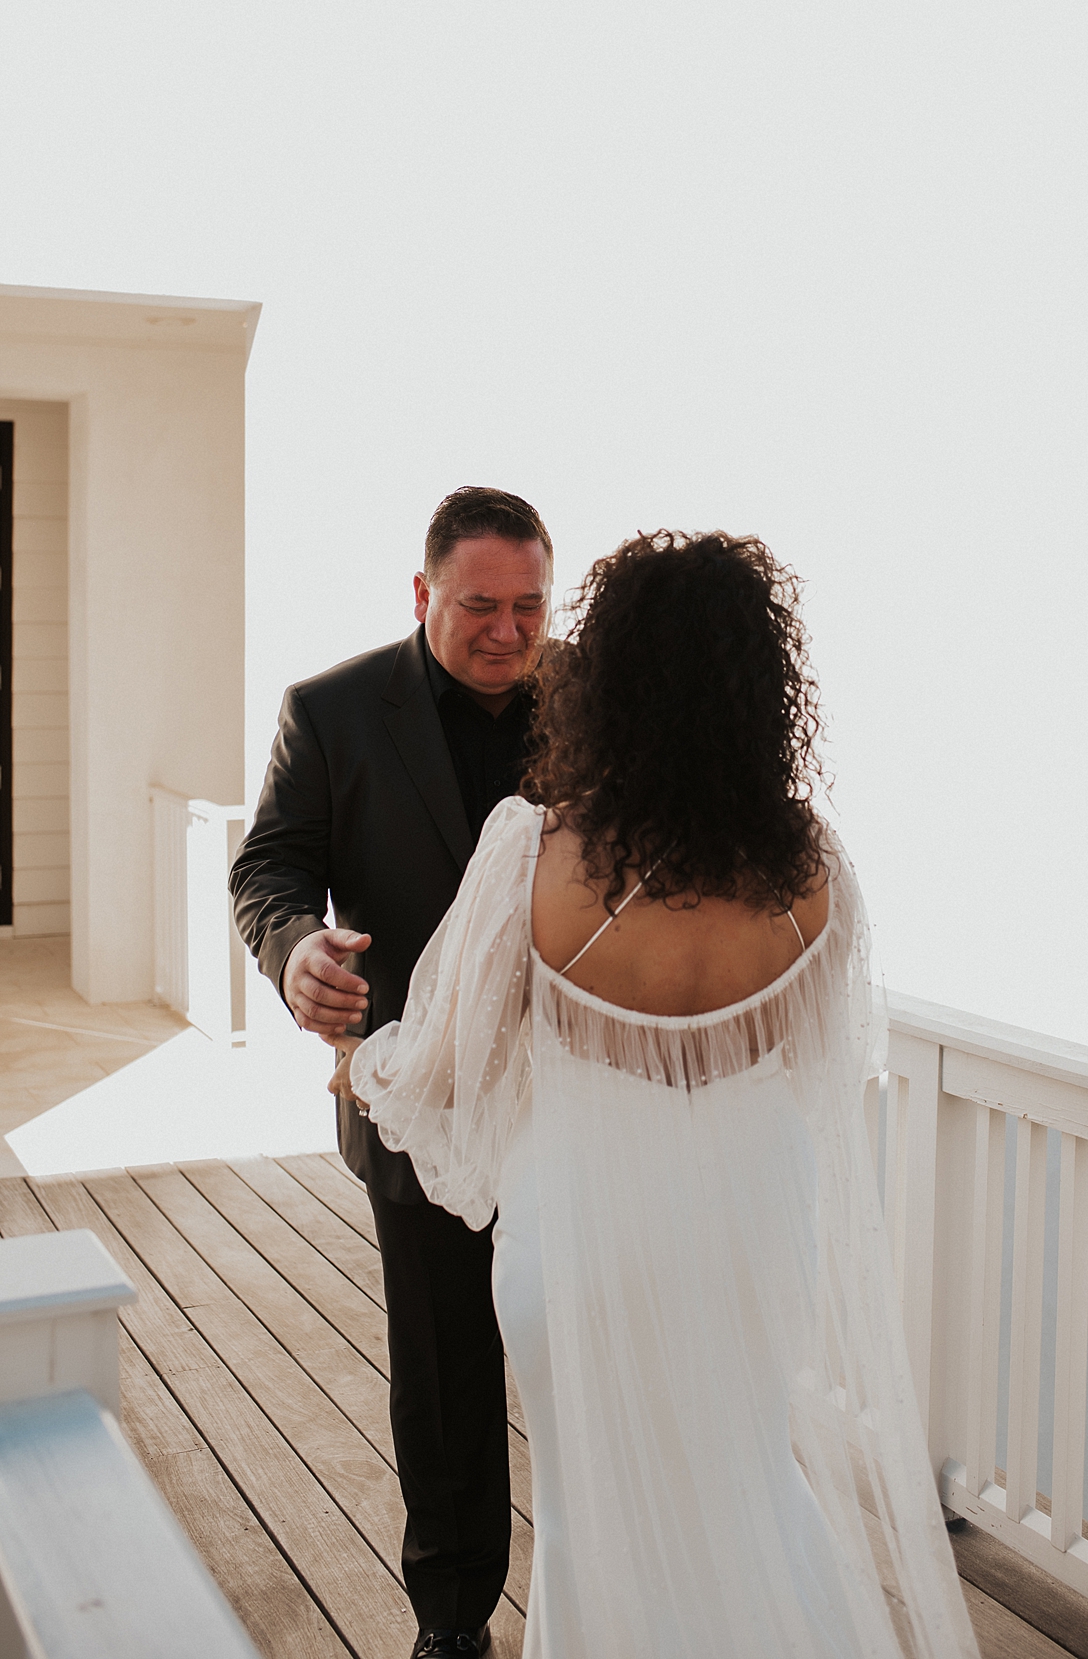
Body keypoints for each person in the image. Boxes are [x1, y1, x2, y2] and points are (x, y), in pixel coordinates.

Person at [346, 531, 981, 1658]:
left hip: (586, 1223)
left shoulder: (531, 850)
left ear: (608, 680)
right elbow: (815, 1056)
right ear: (761, 687)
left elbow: (442, 1069)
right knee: (741, 1479)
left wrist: (363, 1053)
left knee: (597, 1513)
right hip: (746, 1214)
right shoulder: (813, 867)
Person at [230, 486, 554, 1659]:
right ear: (423, 594)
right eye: (481, 605)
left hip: (576, 1102)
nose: (510, 632)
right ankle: (453, 1620)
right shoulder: (330, 709)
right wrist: (294, 948)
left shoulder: (597, 707)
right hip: (418, 1099)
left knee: (587, 1353)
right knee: (446, 1372)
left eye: (530, 605)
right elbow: (267, 869)